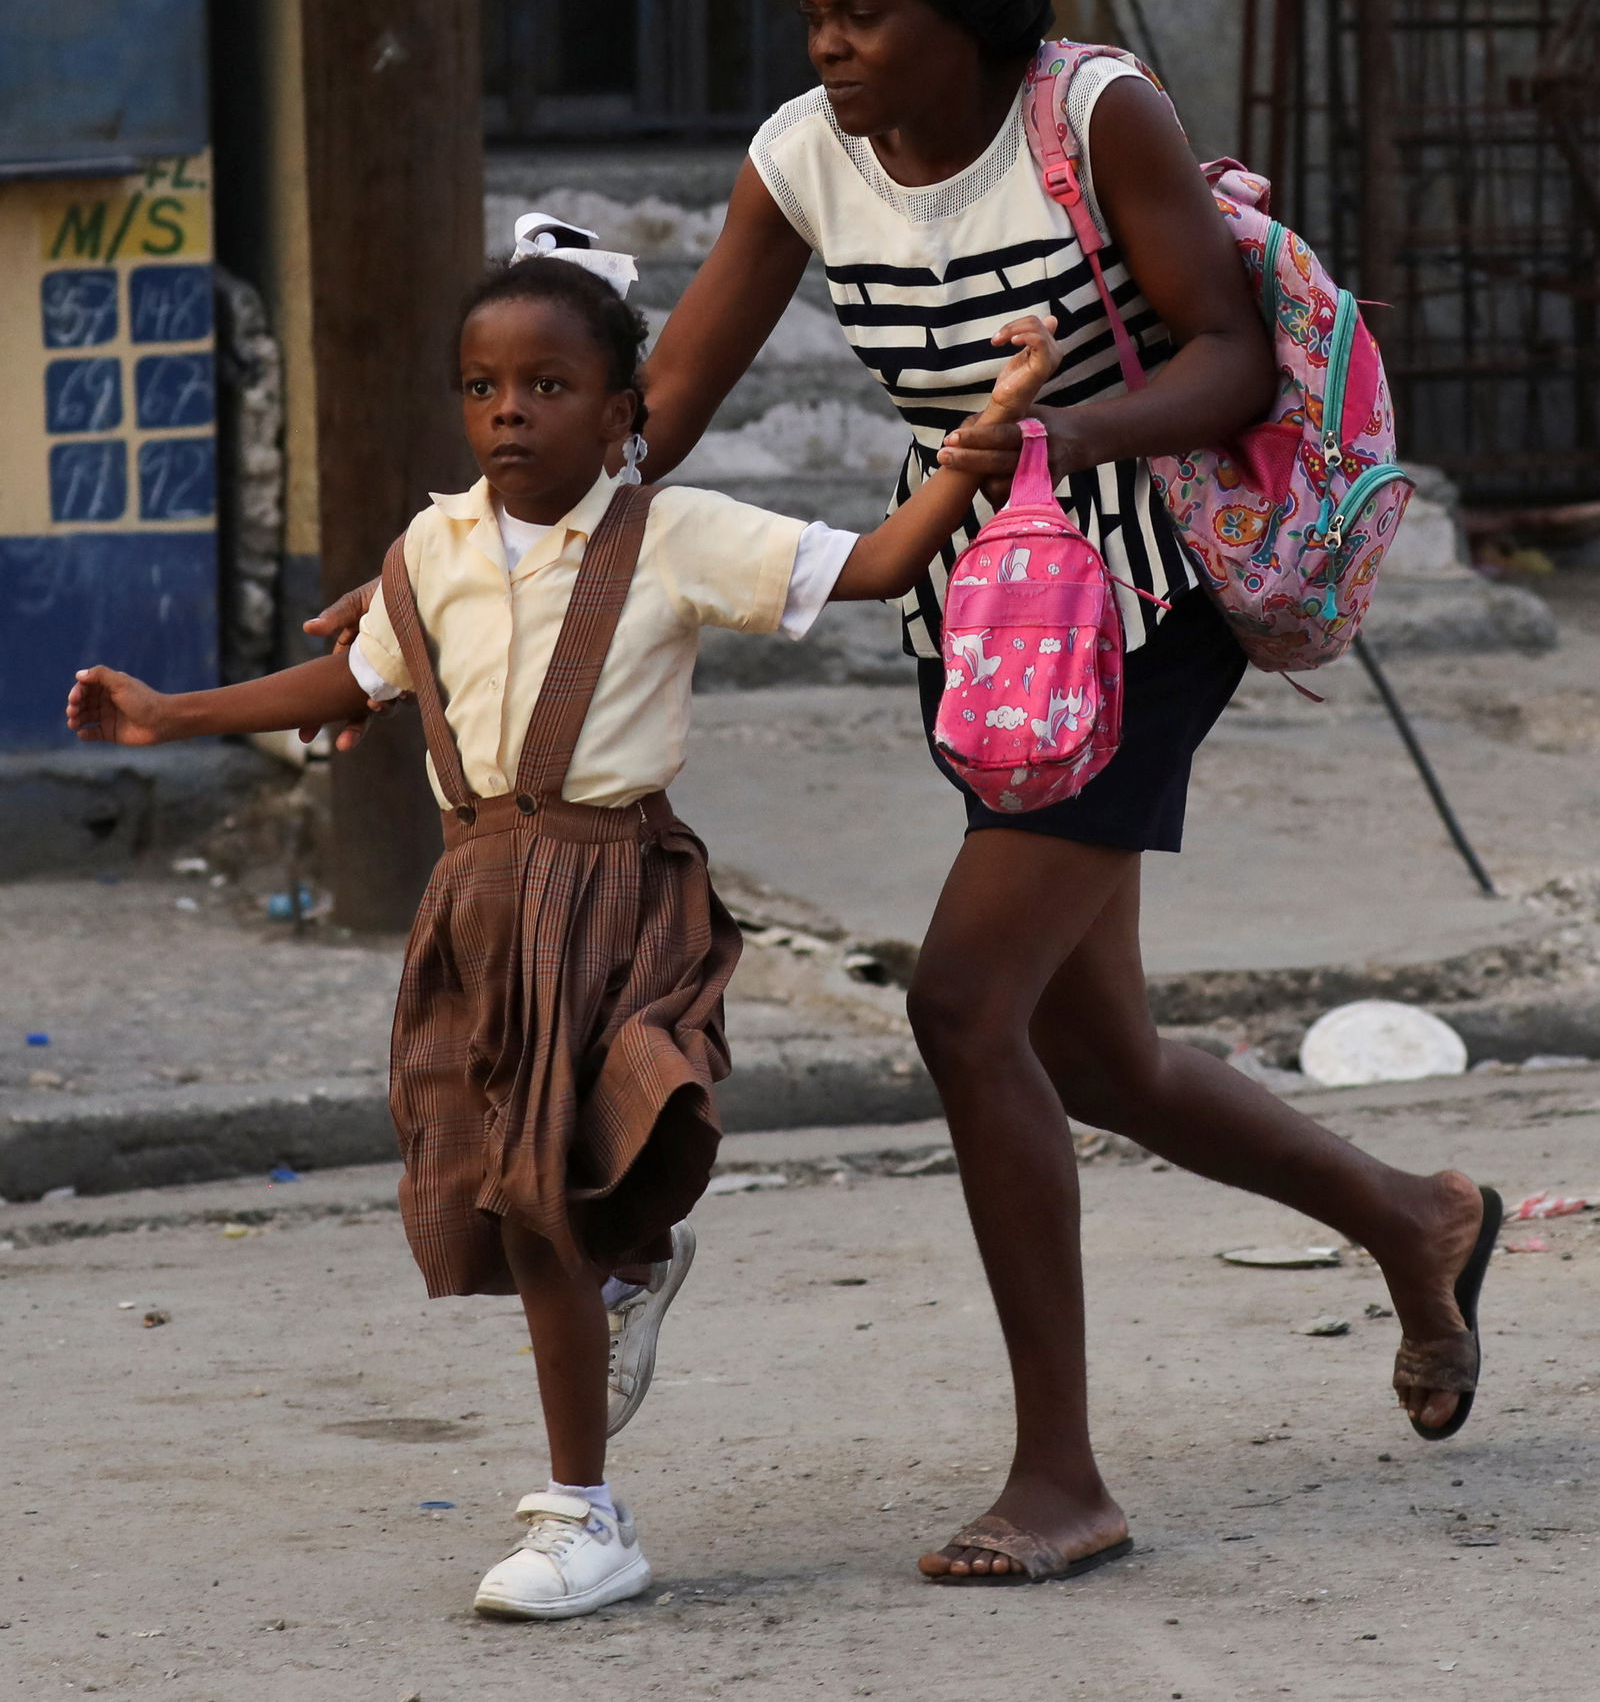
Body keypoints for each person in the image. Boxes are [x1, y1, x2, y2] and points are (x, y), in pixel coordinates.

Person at [306, 0, 1500, 1590]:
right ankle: (1420, 1218)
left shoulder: (1093, 118)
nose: (830, 50)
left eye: (862, 15)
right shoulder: (801, 162)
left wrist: (1069, 435)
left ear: (963, 16)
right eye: (814, 16)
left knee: (962, 1003)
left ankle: (1063, 1473)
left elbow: (1231, 350)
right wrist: (451, 560)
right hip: (983, 608)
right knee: (1090, 1047)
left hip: (1141, 596)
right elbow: (665, 406)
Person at [66, 243, 1065, 1621]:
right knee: (528, 1185)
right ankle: (626, 1281)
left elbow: (888, 563)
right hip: (479, 899)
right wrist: (169, 714)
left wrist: (978, 447)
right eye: (482, 387)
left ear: (621, 411)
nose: (509, 413)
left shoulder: (677, 532)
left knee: (559, 1181)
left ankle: (583, 1511)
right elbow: (355, 674)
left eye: (548, 383)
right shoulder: (431, 550)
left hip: (620, 895)